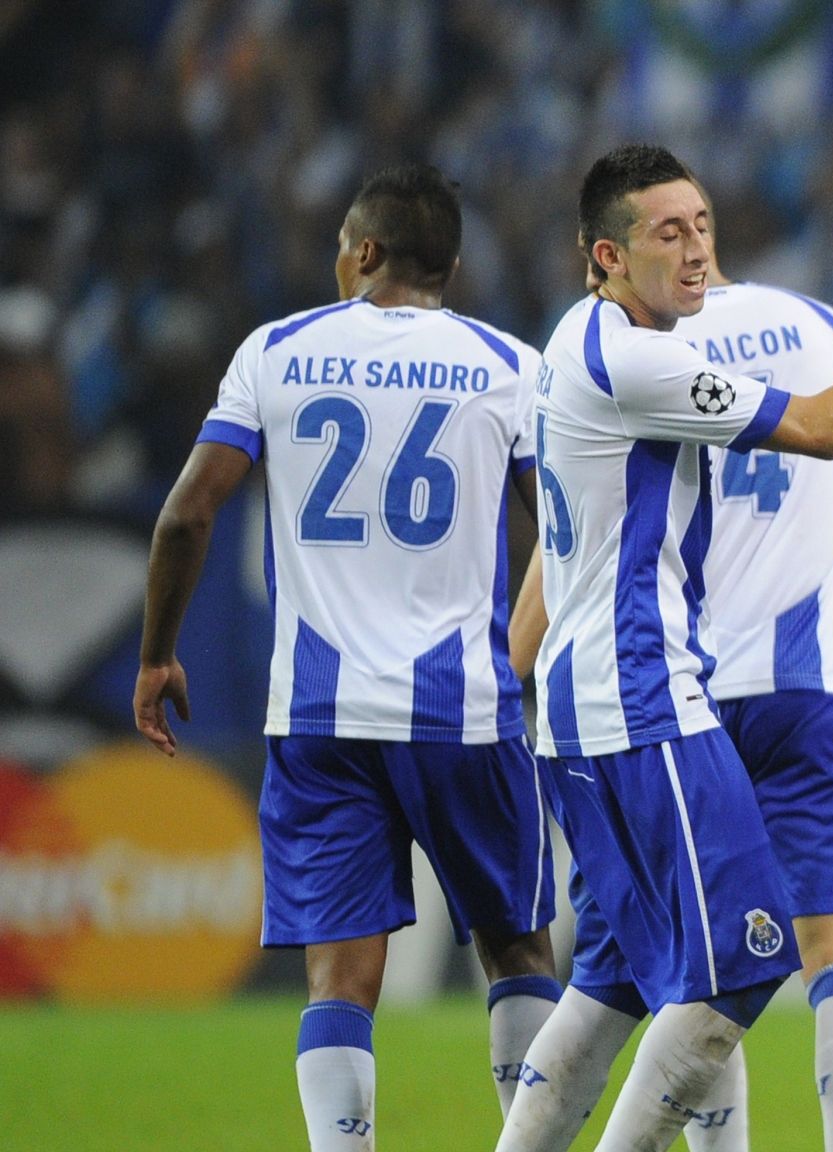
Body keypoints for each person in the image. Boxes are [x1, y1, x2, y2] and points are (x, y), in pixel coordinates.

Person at [493, 143, 833, 1152]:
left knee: (615, 977)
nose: (695, 249)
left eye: (703, 224)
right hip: (645, 698)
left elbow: (555, 549)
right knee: (749, 960)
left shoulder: (577, 343)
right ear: (604, 258)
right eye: (668, 233)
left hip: (611, 705)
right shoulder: (646, 355)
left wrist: (510, 670)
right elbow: (829, 426)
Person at [134, 164, 561, 1151]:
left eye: (339, 241)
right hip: (466, 709)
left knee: (339, 978)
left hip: (319, 718)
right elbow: (568, 532)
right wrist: (524, 652)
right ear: (448, 265)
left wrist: (158, 654)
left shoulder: (276, 352)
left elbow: (186, 514)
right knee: (515, 946)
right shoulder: (507, 363)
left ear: (363, 253)